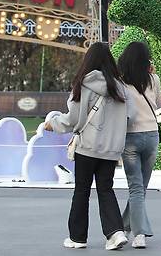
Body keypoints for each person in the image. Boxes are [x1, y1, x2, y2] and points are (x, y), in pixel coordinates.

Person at [44, 42, 130, 250]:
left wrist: (52, 124)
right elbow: (130, 116)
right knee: (106, 190)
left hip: (87, 147)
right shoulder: (121, 88)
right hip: (110, 150)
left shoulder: (83, 85)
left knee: (82, 191)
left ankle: (77, 238)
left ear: (89, 60)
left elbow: (72, 119)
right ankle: (115, 233)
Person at [117, 41, 161, 249]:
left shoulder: (120, 82)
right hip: (152, 135)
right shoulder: (153, 79)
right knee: (140, 188)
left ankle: (137, 233)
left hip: (130, 137)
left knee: (136, 188)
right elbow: (159, 104)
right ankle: (127, 226)